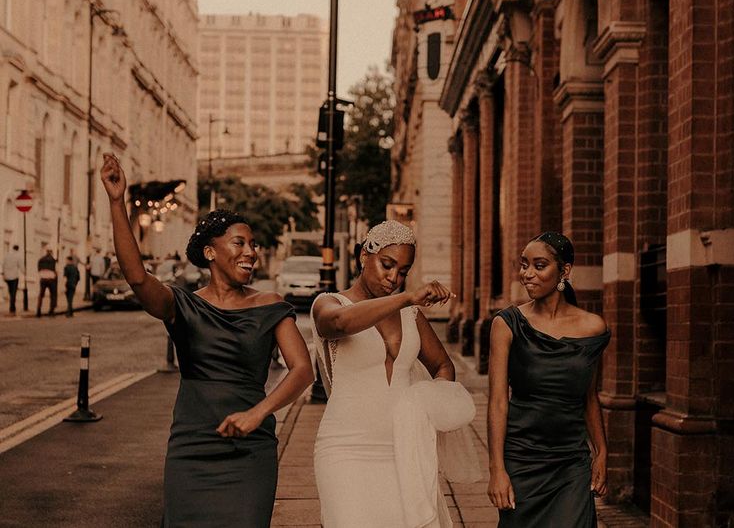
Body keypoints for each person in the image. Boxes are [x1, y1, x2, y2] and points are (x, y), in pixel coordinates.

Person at [99, 153, 314, 527]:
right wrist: (118, 203)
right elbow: (136, 277)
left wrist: (257, 414)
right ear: (210, 253)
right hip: (191, 451)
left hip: (251, 454)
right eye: (239, 243)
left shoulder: (270, 306)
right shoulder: (181, 306)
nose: (250, 252)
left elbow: (302, 371)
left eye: (253, 245)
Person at [311, 220, 469, 527]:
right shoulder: (330, 303)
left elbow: (443, 366)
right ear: (363, 256)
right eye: (387, 265)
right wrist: (407, 296)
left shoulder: (410, 315)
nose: (394, 278)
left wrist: (426, 404)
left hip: (403, 448)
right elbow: (339, 324)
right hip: (345, 446)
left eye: (404, 272)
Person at [487, 232, 611, 527]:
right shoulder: (506, 324)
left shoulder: (593, 328)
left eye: (538, 266)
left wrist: (602, 452)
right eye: (524, 265)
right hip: (522, 458)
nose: (526, 274)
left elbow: (589, 397)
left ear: (564, 271)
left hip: (571, 461)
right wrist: (497, 470)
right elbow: (497, 403)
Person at [36, 246, 58, 317]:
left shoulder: (40, 260)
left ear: (46, 252)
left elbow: (39, 269)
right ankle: (51, 311)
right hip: (51, 279)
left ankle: (38, 311)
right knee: (53, 295)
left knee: (41, 295)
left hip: (43, 279)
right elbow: (56, 271)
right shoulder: (54, 260)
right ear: (51, 252)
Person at [2, 245, 22, 315]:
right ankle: (12, 309)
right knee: (13, 293)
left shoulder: (7, 255)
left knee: (11, 292)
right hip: (14, 277)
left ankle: (12, 307)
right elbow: (21, 266)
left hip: (7, 277)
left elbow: (3, 264)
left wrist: (3, 274)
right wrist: (25, 272)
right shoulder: (18, 256)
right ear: (18, 249)